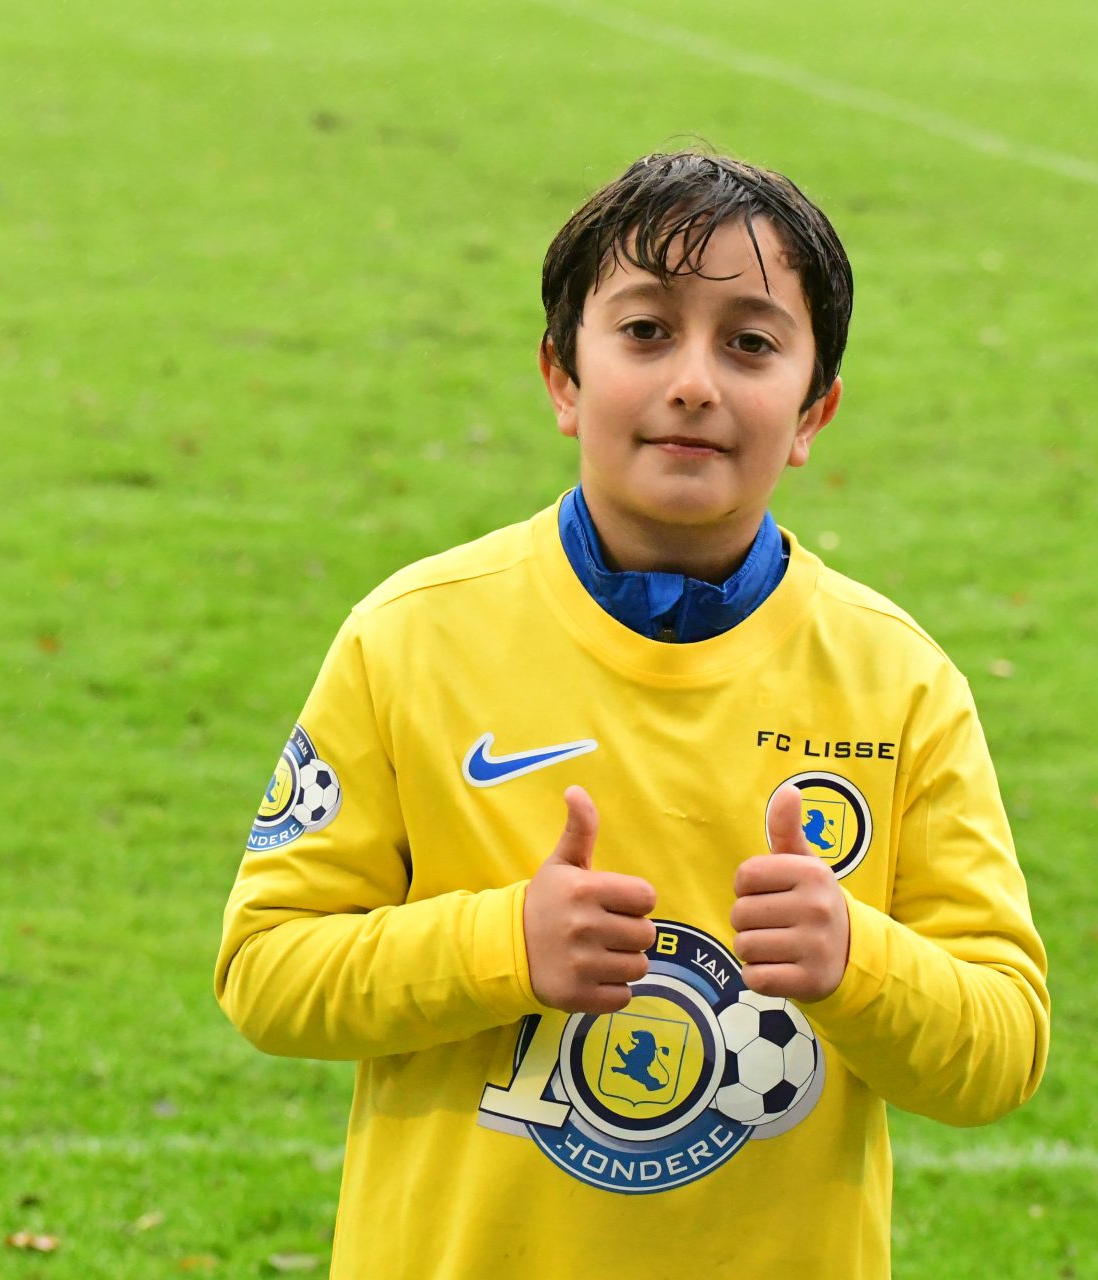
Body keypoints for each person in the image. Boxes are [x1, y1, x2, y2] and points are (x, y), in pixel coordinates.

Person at [214, 148, 1050, 1280]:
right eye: (648, 330)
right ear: (563, 377)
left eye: (751, 342)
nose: (696, 380)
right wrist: (504, 940)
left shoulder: (897, 683)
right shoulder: (412, 637)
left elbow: (1001, 1049)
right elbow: (267, 970)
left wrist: (856, 955)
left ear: (814, 410)